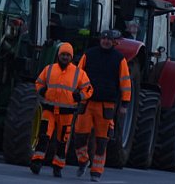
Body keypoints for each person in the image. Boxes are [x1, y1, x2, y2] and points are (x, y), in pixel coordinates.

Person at [74, 29, 132, 182]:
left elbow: (125, 82)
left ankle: (96, 171)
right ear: (100, 40)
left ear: (113, 42)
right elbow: (77, 75)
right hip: (86, 102)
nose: (106, 41)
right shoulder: (89, 54)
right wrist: (74, 94)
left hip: (106, 106)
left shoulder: (119, 59)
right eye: (104, 39)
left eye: (109, 39)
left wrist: (125, 103)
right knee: (79, 136)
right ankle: (83, 160)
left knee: (102, 141)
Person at [30, 42, 93, 178]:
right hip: (49, 110)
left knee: (62, 141)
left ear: (71, 57)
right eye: (63, 54)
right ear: (58, 55)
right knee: (44, 136)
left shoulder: (78, 73)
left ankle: (58, 167)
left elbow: (89, 89)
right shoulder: (49, 69)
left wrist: (79, 96)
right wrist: (42, 90)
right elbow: (38, 82)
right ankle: (36, 162)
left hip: (66, 113)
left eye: (67, 55)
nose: (65, 57)